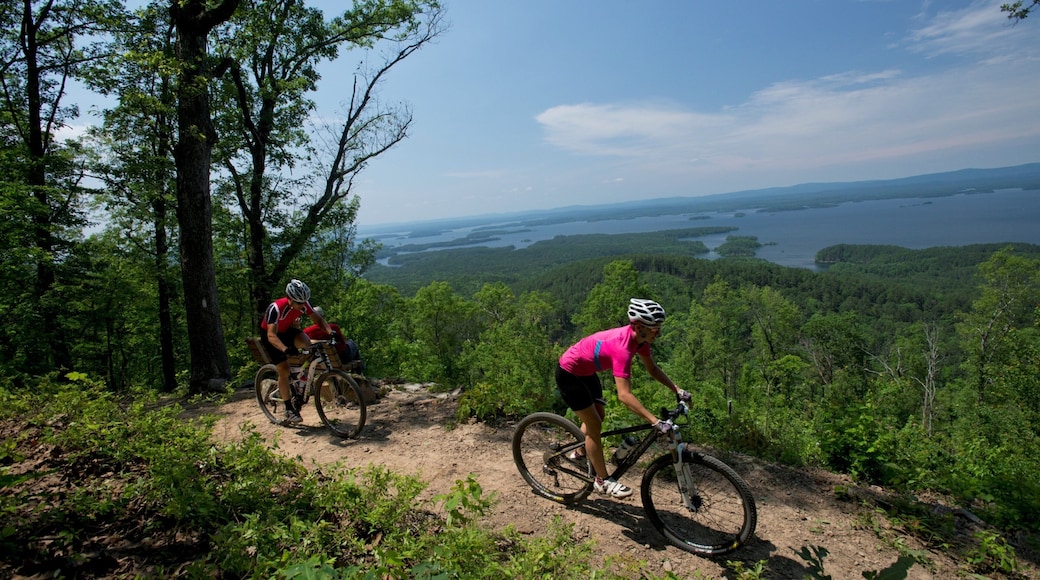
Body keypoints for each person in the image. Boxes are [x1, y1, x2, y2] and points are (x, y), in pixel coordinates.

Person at [556, 298, 691, 498]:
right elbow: (624, 396)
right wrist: (655, 421)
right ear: (638, 326)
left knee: (598, 417)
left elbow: (652, 368)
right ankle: (602, 481)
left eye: (658, 328)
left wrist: (677, 389)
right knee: (593, 425)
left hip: (586, 372)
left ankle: (579, 453)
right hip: (569, 373)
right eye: (654, 329)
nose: (658, 333)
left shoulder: (640, 340)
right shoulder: (622, 348)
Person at [260, 279, 333, 425]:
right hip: (271, 335)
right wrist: (285, 349)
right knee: (284, 369)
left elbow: (318, 320)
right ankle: (288, 408)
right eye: (299, 303)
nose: (302, 306)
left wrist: (330, 333)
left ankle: (300, 375)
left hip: (286, 330)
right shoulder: (276, 308)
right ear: (290, 299)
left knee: (306, 342)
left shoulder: (303, 304)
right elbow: (271, 335)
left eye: (304, 302)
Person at [303, 307, 363, 371]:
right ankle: (359, 372)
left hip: (320, 361)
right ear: (323, 317)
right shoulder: (332, 328)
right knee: (352, 343)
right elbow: (343, 344)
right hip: (341, 359)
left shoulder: (306, 331)